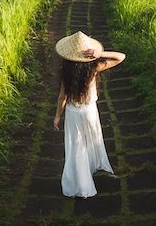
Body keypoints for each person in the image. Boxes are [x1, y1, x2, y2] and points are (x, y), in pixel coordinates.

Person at [53, 31, 126, 198]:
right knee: (93, 140)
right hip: (89, 111)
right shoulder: (94, 68)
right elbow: (121, 56)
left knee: (76, 147)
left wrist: (57, 116)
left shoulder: (66, 73)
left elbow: (62, 97)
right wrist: (101, 54)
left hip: (73, 113)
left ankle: (81, 183)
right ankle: (92, 168)